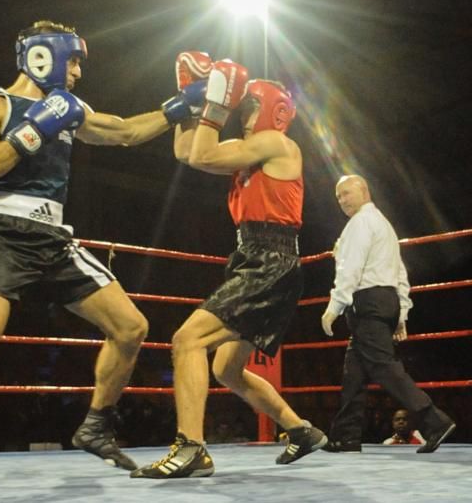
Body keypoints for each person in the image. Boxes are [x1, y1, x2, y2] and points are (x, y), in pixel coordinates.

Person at [0, 22, 206, 493]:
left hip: (55, 240)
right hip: (2, 234)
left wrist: (179, 106)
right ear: (44, 56)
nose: (78, 72)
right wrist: (35, 130)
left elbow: (122, 132)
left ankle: (96, 423)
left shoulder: (72, 109)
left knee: (132, 328)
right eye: (74, 61)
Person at [131, 59, 327, 478]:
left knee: (187, 341)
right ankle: (301, 431)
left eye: (249, 105)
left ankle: (191, 449)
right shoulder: (250, 151)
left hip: (269, 262)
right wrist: (190, 100)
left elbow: (201, 152)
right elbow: (188, 152)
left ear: (274, 109)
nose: (242, 111)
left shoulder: (276, 143)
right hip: (257, 260)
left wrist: (215, 103)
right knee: (225, 368)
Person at [320, 175, 454, 454]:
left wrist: (334, 307)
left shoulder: (359, 224)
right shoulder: (383, 224)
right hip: (385, 300)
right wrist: (402, 312)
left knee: (384, 367)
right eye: (338, 197)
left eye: (346, 193)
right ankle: (345, 436)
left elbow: (351, 269)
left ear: (364, 190)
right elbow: (399, 273)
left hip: (368, 301)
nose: (342, 200)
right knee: (354, 371)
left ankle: (434, 422)